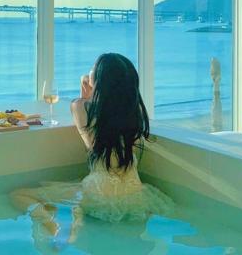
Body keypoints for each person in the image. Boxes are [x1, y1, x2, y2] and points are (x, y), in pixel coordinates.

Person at [11, 53, 173, 245]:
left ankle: (51, 223)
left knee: (18, 195)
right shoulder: (133, 114)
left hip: (99, 191)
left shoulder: (81, 108)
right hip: (134, 193)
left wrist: (85, 86)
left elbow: (81, 103)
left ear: (99, 83)